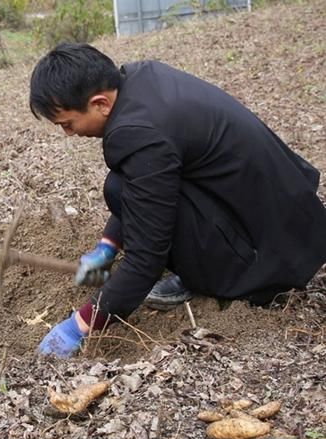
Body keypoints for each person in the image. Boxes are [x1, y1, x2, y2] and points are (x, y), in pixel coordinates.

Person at [29, 43, 326, 357]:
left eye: (67, 123)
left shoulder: (140, 134)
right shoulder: (141, 79)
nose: (69, 134)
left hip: (268, 258)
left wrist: (79, 325)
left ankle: (224, 280)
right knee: (119, 186)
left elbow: (146, 260)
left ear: (100, 103)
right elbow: (146, 186)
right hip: (287, 224)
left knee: (119, 190)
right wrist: (107, 246)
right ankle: (207, 267)